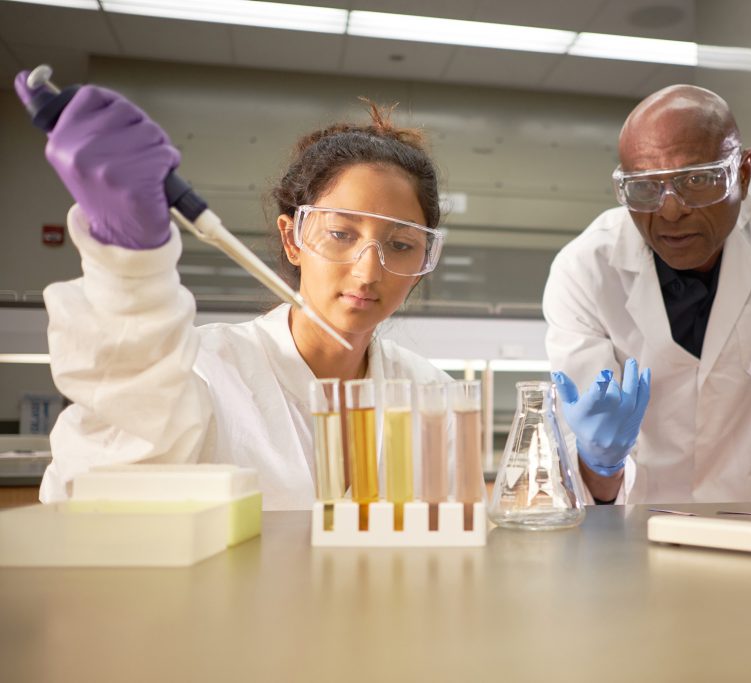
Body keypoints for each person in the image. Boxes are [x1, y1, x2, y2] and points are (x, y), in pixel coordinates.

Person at [14, 72, 451, 510]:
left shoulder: (434, 395)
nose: (368, 269)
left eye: (399, 245)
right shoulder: (204, 372)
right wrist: (128, 269)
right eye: (340, 234)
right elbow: (94, 495)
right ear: (292, 239)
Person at [545, 84, 751, 504]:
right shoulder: (584, 269)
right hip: (638, 530)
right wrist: (600, 461)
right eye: (645, 187)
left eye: (697, 180)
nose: (671, 210)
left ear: (743, 172)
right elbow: (587, 488)